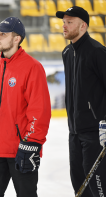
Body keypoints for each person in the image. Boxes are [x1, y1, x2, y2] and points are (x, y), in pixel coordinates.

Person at [0, 17, 51, 197]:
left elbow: (39, 111)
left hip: (22, 151)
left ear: (16, 39)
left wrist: (32, 144)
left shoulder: (32, 67)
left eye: (3, 34)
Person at [56, 6, 106, 196]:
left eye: (69, 22)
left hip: (95, 134)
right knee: (79, 185)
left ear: (83, 26)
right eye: (63, 22)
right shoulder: (67, 53)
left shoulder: (98, 52)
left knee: (97, 187)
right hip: (74, 133)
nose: (64, 26)